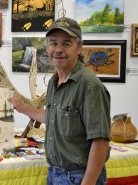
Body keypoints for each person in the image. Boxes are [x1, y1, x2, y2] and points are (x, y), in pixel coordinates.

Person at [9, 17, 111, 185]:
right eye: (53, 43)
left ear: (79, 48)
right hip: (55, 174)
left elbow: (100, 141)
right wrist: (21, 107)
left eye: (66, 44)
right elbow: (53, 116)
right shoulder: (53, 82)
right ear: (47, 46)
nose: (58, 49)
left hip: (79, 177)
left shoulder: (90, 86)